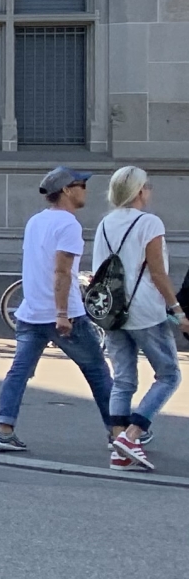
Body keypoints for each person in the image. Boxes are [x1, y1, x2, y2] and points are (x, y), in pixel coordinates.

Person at [0, 165, 118, 456]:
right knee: (97, 371)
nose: (86, 190)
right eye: (82, 185)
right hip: (64, 313)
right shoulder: (69, 225)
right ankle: (118, 433)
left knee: (18, 372)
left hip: (31, 311)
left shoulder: (35, 221)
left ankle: (3, 431)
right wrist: (62, 313)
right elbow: (61, 271)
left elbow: (38, 266)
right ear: (67, 190)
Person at [90, 166, 183, 470]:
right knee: (169, 375)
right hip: (144, 309)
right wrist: (178, 310)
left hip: (112, 309)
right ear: (140, 191)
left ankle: (118, 447)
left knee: (124, 380)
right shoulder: (149, 223)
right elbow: (157, 271)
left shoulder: (105, 223)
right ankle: (133, 435)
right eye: (148, 186)